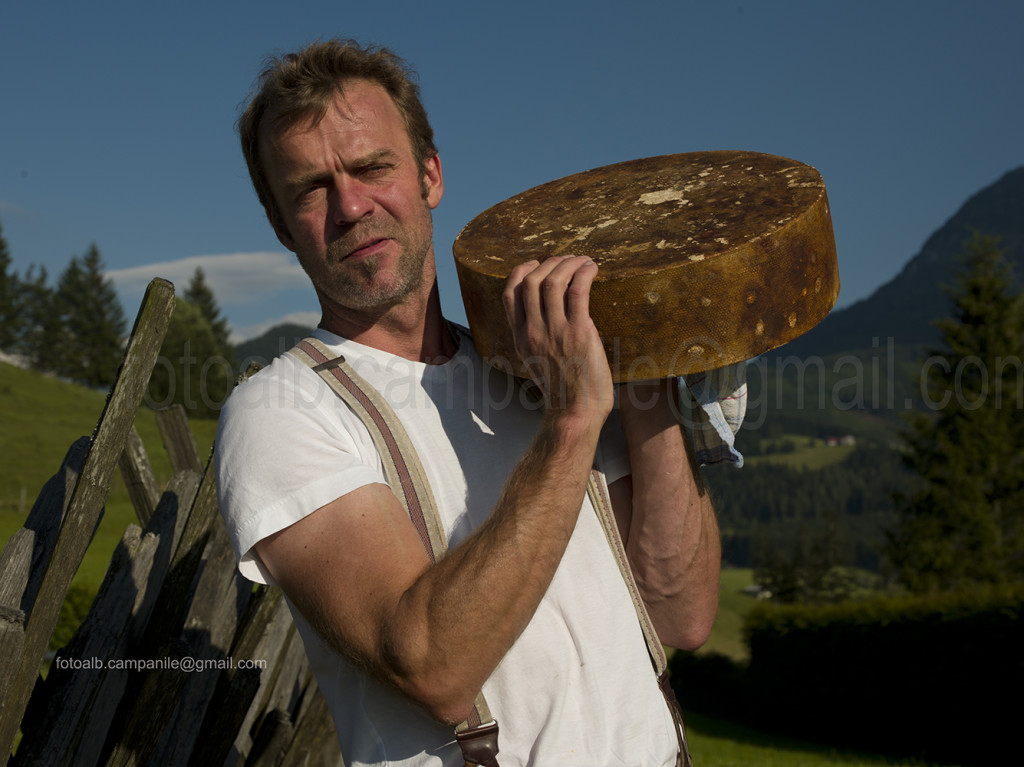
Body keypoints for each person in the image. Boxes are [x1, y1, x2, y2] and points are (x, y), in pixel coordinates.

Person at [216, 39, 720, 767]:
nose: (351, 206)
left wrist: (644, 387)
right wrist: (575, 419)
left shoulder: (532, 359)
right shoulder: (283, 410)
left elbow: (682, 613)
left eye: (371, 167)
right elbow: (432, 666)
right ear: (280, 224)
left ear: (430, 175)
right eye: (311, 189)